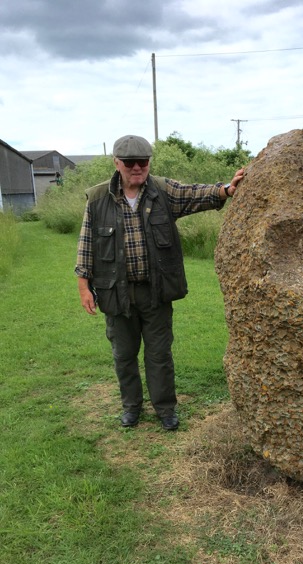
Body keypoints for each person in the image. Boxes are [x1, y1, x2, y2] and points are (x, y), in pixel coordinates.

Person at [75, 134, 244, 430]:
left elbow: (194, 193)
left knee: (159, 355)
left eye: (144, 161)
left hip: (156, 293)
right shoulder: (98, 198)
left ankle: (165, 409)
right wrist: (83, 287)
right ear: (117, 163)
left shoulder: (163, 191)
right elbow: (86, 244)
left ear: (149, 162)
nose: (137, 167)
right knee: (124, 356)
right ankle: (131, 408)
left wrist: (226, 190)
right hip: (117, 294)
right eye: (130, 162)